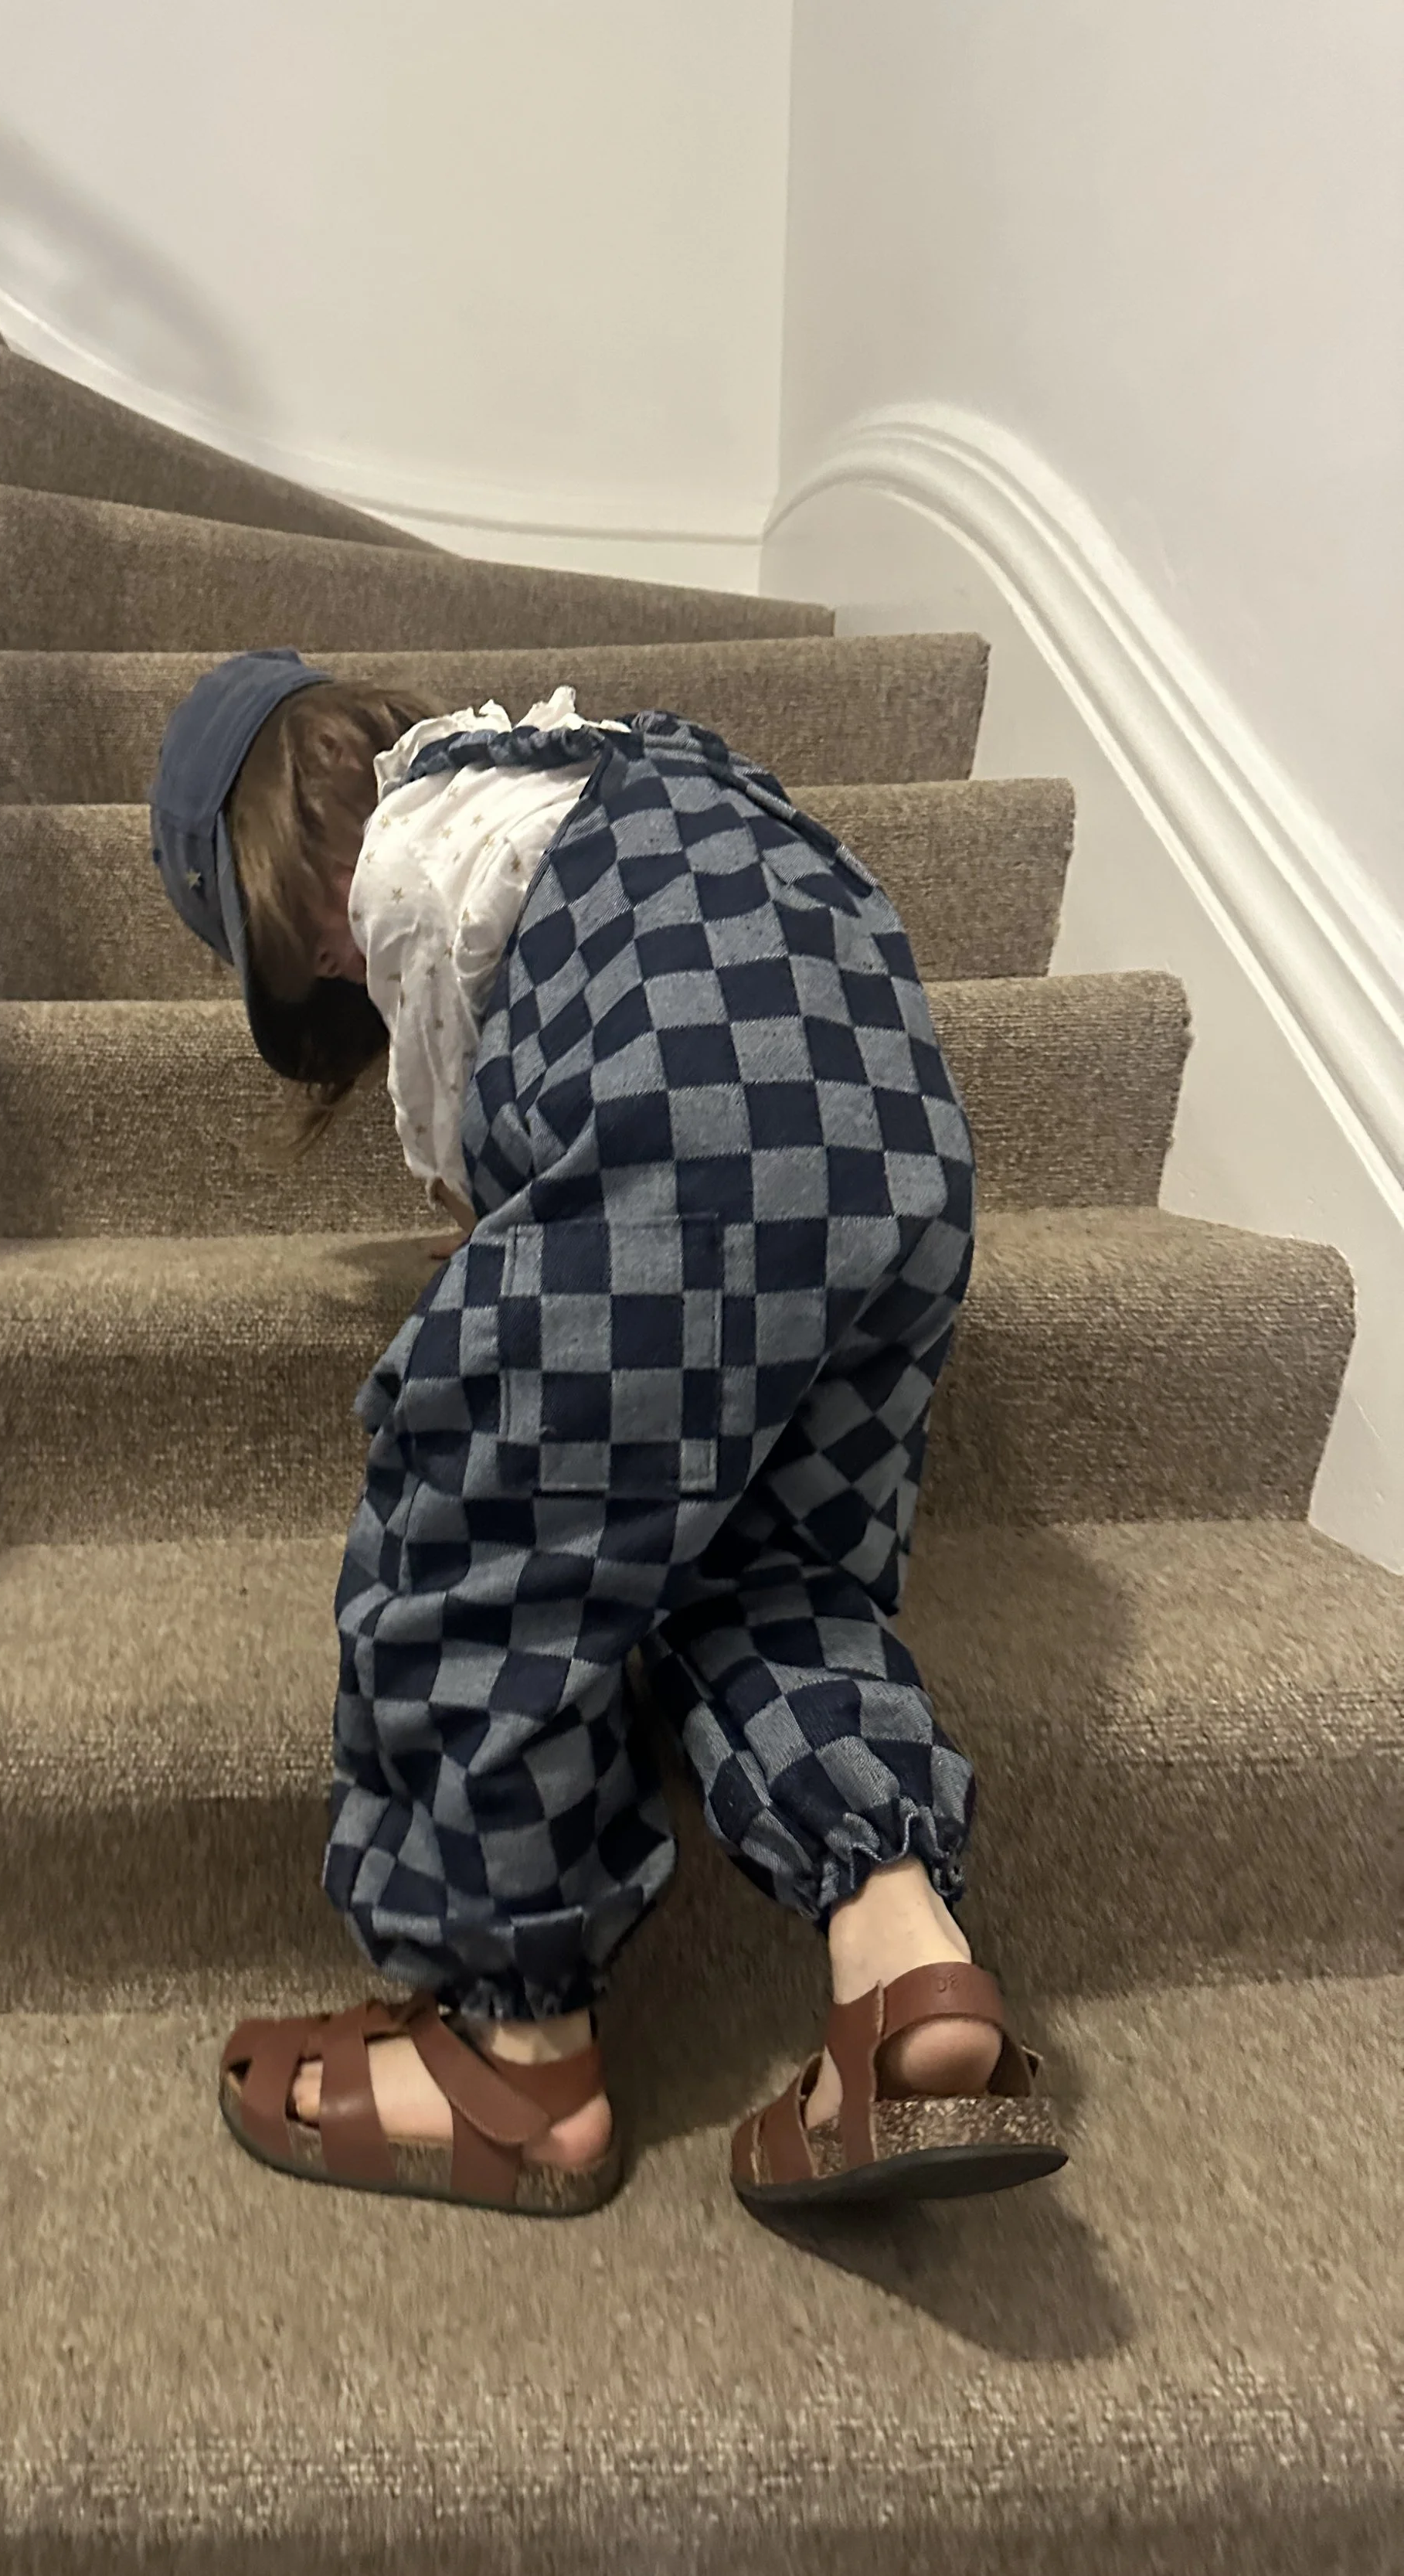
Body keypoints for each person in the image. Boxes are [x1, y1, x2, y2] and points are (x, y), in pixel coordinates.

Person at [149, 648, 1065, 2218]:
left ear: (297, 913)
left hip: (691, 1154)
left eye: (313, 974)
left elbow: (474, 1141)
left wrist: (489, 1268)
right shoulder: (611, 770)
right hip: (899, 1155)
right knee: (762, 1567)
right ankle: (910, 1981)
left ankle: (512, 2051)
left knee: (474, 1526)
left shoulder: (409, 858)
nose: (337, 974)